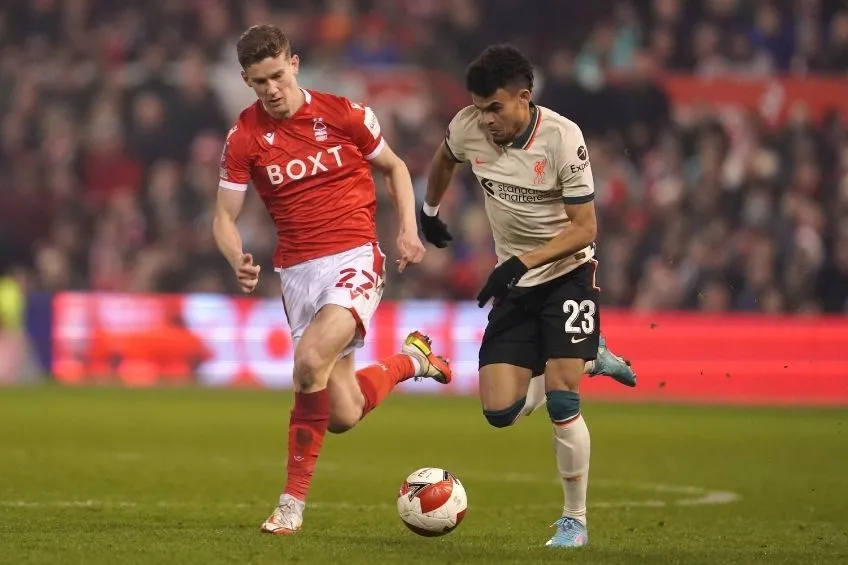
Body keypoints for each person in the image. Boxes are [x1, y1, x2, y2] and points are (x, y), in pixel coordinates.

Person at [212, 24, 452, 535]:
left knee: (309, 361)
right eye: (259, 82)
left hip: (354, 257)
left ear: (294, 64)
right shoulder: (245, 136)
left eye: (277, 75)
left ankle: (291, 504)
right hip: (297, 273)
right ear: (246, 81)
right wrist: (236, 256)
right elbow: (224, 218)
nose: (272, 89)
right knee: (341, 412)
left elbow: (395, 168)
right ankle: (413, 361)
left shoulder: (345, 113)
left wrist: (408, 229)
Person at [420, 44, 637, 548]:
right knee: (499, 412)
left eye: (495, 108)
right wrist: (429, 210)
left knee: (563, 400)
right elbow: (444, 157)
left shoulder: (563, 138)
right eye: (479, 107)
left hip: (567, 273)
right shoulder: (468, 125)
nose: (486, 119)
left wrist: (522, 261)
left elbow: (585, 228)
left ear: (524, 97)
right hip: (515, 282)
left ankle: (574, 521)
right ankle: (590, 358)